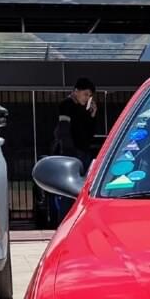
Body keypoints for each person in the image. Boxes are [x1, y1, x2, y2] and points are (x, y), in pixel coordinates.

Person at [49, 78, 98, 225]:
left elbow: (90, 133)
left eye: (90, 96)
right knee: (69, 192)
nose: (87, 98)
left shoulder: (84, 110)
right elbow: (64, 131)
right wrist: (70, 154)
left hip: (84, 151)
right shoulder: (67, 105)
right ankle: (65, 222)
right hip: (72, 153)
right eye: (85, 94)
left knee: (84, 191)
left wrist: (92, 115)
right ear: (76, 91)